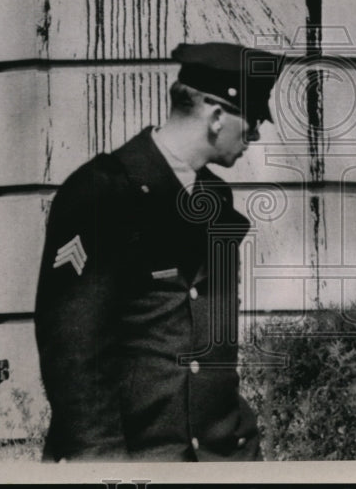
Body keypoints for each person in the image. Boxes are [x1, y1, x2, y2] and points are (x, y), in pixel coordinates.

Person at [34, 41, 281, 461]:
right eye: (253, 120)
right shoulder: (102, 194)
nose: (255, 135)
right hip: (138, 461)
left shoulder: (214, 198)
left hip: (221, 460)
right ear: (217, 117)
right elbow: (73, 359)